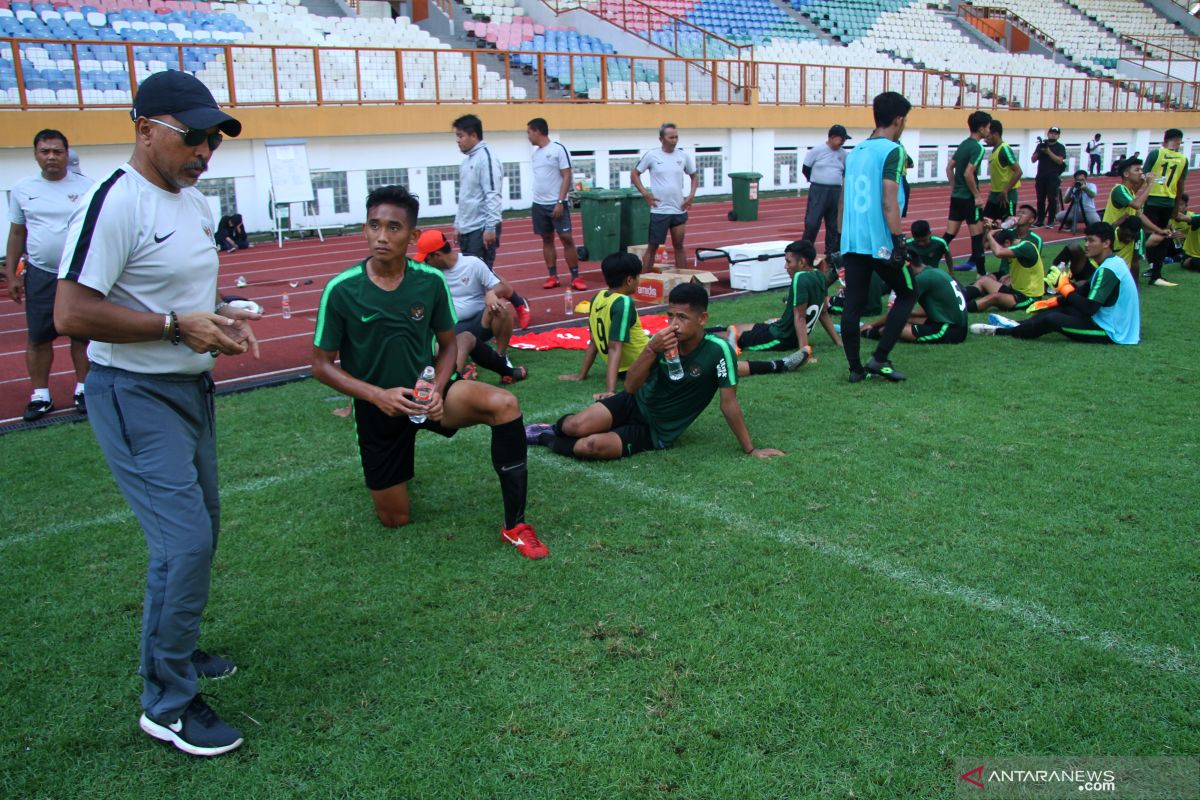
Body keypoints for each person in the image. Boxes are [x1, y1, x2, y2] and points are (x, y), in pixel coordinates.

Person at [53, 70, 257, 757]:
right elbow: (71, 312)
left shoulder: (193, 202)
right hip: (134, 394)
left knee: (201, 532)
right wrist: (176, 326)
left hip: (188, 390)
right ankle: (166, 702)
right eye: (192, 137)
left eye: (214, 141)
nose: (205, 152)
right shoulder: (115, 202)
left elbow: (181, 294)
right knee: (184, 543)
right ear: (144, 130)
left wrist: (223, 317)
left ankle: (181, 648)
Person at [312, 185, 547, 561]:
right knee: (395, 519)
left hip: (427, 393)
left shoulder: (430, 281)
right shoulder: (341, 290)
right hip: (378, 407)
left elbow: (450, 344)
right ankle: (395, 469)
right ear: (364, 229)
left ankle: (515, 525)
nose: (382, 237)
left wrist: (437, 388)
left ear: (413, 235)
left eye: (393, 227)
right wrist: (376, 396)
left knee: (504, 404)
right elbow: (320, 366)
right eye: (374, 226)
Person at [526, 282, 784, 460]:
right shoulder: (661, 341)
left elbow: (728, 403)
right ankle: (552, 428)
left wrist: (750, 450)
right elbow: (629, 388)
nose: (673, 324)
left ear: (702, 319)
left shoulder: (718, 351)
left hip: (655, 431)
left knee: (588, 446)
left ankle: (546, 439)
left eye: (681, 317)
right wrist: (651, 349)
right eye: (670, 315)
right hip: (633, 403)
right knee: (575, 425)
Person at [6, 129, 96, 420]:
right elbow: (17, 232)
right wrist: (11, 273)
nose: (52, 157)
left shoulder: (89, 187)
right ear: (36, 155)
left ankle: (84, 389)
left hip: (78, 274)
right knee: (38, 338)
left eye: (57, 151)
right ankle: (40, 396)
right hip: (41, 274)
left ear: (67, 154)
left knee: (82, 336)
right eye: (45, 151)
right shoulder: (22, 189)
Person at [838, 90, 916, 383]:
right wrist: (899, 241)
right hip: (879, 241)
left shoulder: (856, 150)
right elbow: (888, 201)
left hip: (853, 240)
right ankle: (879, 358)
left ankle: (855, 369)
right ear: (899, 119)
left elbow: (843, 198)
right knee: (909, 292)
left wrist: (839, 237)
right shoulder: (893, 150)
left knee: (853, 302)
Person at [971, 222, 1139, 345]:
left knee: (1053, 320)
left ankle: (1001, 331)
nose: (1086, 245)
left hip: (1112, 332)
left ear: (1106, 243)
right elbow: (1084, 291)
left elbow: (1089, 308)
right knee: (1060, 308)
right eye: (1086, 240)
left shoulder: (1108, 270)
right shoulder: (1112, 262)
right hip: (1109, 323)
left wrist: (1065, 289)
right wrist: (1054, 300)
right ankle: (1019, 324)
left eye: (1091, 241)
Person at [414, 228, 527, 384]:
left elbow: (504, 288)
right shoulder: (429, 274)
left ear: (437, 255)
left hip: (478, 323)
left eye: (426, 259)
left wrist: (491, 293)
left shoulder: (472, 263)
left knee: (500, 307)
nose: (424, 264)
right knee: (435, 343)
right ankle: (459, 373)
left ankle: (501, 357)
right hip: (447, 330)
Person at [452, 114, 532, 328]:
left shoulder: (486, 158)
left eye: (460, 136)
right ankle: (486, 316)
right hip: (468, 227)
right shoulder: (467, 161)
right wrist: (458, 225)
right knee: (474, 276)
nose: (457, 140)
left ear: (473, 135)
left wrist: (490, 228)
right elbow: (465, 196)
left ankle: (515, 303)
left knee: (482, 275)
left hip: (482, 227)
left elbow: (493, 194)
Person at [711, 239, 840, 369]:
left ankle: (702, 336)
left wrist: (804, 353)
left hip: (780, 338)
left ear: (801, 262)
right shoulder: (820, 275)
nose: (786, 266)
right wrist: (838, 342)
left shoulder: (799, 277)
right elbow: (823, 312)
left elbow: (800, 318)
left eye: (788, 262)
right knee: (734, 328)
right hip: (778, 328)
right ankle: (711, 330)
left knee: (734, 336)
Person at [560, 251, 649, 399]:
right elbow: (615, 346)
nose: (639, 281)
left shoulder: (597, 297)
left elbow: (594, 341)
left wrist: (580, 375)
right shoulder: (623, 302)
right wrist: (610, 390)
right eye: (638, 277)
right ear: (629, 280)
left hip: (622, 370)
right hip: (642, 367)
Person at [861, 251, 968, 344]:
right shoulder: (933, 271)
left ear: (908, 265)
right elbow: (936, 307)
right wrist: (910, 313)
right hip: (955, 323)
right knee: (905, 319)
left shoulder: (920, 280)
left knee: (894, 327)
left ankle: (868, 333)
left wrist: (872, 325)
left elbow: (897, 312)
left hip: (950, 329)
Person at [631, 122, 698, 272]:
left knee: (679, 246)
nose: (674, 140)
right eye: (671, 137)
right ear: (661, 139)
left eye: (676, 137)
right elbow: (635, 173)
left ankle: (684, 282)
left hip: (678, 209)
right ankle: (643, 280)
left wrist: (691, 195)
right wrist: (645, 193)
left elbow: (694, 176)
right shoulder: (652, 155)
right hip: (660, 210)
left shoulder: (683, 156)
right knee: (653, 247)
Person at [526, 117, 583, 291]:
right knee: (547, 239)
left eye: (529, 132)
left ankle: (575, 277)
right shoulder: (535, 154)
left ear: (537, 131)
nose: (528, 136)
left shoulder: (558, 149)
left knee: (566, 239)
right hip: (539, 204)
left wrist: (560, 201)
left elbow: (567, 175)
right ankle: (552, 276)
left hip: (556, 203)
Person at [1103, 156, 1174, 286]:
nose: (1141, 173)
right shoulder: (1119, 189)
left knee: (1154, 241)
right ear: (1126, 174)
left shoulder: (1131, 192)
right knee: (1114, 263)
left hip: (1129, 232)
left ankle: (1145, 280)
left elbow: (1139, 214)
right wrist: (1150, 184)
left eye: (1141, 170)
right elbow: (1136, 205)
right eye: (1137, 170)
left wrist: (1160, 230)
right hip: (1113, 234)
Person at [943, 110, 991, 274]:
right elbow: (968, 173)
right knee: (977, 237)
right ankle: (982, 274)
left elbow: (949, 168)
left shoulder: (964, 144)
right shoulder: (978, 147)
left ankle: (927, 261)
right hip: (969, 199)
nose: (989, 131)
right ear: (981, 128)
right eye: (988, 127)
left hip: (956, 198)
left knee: (949, 235)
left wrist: (955, 187)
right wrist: (977, 195)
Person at [967, 218, 1046, 313]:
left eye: (1003, 245)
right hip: (1015, 290)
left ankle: (962, 309)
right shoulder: (1014, 245)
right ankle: (960, 296)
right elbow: (987, 246)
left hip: (1029, 298)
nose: (1003, 248)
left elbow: (998, 252)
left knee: (994, 297)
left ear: (1008, 242)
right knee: (984, 280)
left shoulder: (1027, 247)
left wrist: (989, 236)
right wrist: (990, 230)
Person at [1141, 128, 1188, 286]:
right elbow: (1181, 185)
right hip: (1167, 201)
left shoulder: (1156, 154)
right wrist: (1176, 207)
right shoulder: (1183, 159)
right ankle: (1155, 272)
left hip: (1154, 199)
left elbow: (1144, 175)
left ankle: (1153, 269)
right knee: (1161, 237)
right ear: (1178, 141)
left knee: (1156, 236)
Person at [802, 124, 850, 254]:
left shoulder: (844, 154)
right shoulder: (817, 151)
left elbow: (846, 171)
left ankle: (831, 253)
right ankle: (806, 250)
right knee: (812, 222)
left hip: (835, 191)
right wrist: (815, 179)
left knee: (833, 225)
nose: (843, 142)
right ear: (832, 137)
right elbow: (806, 168)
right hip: (819, 190)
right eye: (841, 139)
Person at [983, 119, 1022, 225]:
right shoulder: (994, 150)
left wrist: (1005, 190)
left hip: (1007, 196)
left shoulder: (1004, 149)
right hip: (995, 194)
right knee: (986, 222)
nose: (985, 140)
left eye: (987, 137)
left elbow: (1018, 171)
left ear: (995, 134)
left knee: (1006, 227)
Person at [1031, 126, 1067, 228]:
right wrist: (1040, 151)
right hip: (1040, 176)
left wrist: (1048, 152)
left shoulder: (1060, 147)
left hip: (1053, 177)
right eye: (1051, 133)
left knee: (1052, 199)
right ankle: (1040, 220)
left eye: (1055, 134)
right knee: (1040, 200)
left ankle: (1051, 220)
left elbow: (1059, 161)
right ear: (1048, 134)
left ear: (1058, 136)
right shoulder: (1041, 145)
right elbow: (1033, 159)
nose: (1052, 135)